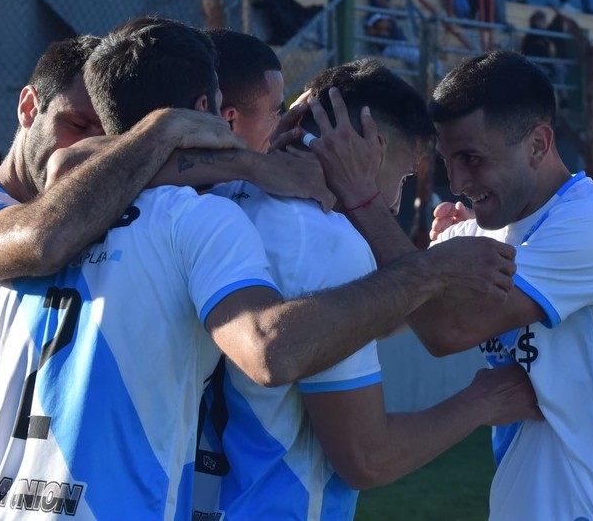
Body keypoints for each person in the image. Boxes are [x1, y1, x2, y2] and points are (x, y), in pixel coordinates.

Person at [0, 18, 517, 519]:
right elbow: (342, 429)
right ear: (209, 110)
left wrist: (246, 164)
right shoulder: (244, 225)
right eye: (406, 177)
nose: (399, 197)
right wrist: (476, 380)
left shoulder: (57, 214)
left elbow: (74, 167)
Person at [0, 35, 330, 520]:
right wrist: (182, 136)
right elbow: (39, 241)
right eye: (76, 124)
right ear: (28, 107)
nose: (89, 148)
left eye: (107, 136)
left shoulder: (99, 227)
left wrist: (261, 145)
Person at [305, 50, 593, 520]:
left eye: (472, 158)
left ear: (537, 145)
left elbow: (446, 329)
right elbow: (385, 317)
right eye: (448, 160)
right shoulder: (477, 232)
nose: (457, 183)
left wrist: (361, 195)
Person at [194, 54, 540, 519]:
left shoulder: (217, 199)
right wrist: (485, 401)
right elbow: (367, 459)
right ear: (372, 147)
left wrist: (437, 281)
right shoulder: (328, 240)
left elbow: (351, 318)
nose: (396, 201)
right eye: (403, 175)